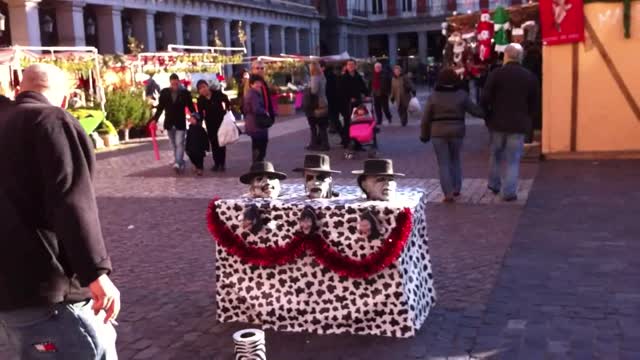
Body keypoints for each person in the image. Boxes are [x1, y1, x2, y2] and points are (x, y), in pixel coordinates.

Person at [0, 64, 120, 359]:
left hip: (11, 296)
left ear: (19, 89)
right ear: (65, 98)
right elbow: (70, 199)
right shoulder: (50, 120)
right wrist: (96, 273)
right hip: (53, 293)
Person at [481, 43, 540, 202]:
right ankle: (509, 192)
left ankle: (494, 184)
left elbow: (485, 97)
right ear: (520, 57)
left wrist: (487, 115)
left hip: (497, 122)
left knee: (495, 155)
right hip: (519, 124)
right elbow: (535, 104)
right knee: (513, 160)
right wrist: (529, 120)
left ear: (505, 56)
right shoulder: (529, 76)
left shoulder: (496, 74)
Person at [421, 68, 485, 203]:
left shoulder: (434, 96)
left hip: (438, 132)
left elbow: (426, 118)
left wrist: (424, 134)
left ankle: (448, 193)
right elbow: (475, 111)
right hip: (457, 130)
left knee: (443, 163)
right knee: (455, 159)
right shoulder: (461, 94)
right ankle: (456, 188)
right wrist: (489, 113)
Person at [149, 73, 197, 174]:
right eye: (173, 83)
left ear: (178, 82)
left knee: (179, 143)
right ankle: (179, 162)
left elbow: (190, 106)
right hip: (169, 123)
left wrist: (194, 115)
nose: (175, 85)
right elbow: (160, 108)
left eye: (176, 83)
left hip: (180, 122)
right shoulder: (165, 92)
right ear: (170, 82)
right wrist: (155, 119)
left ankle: (178, 162)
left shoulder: (184, 93)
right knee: (174, 144)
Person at [197, 79, 231, 172]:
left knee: (221, 142)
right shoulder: (200, 100)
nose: (203, 89)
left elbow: (226, 99)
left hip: (220, 121)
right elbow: (200, 113)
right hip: (210, 124)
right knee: (214, 143)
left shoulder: (217, 94)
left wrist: (227, 110)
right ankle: (216, 163)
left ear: (207, 86)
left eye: (204, 87)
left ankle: (222, 164)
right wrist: (199, 122)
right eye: (200, 88)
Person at [338, 59, 368, 147]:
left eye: (352, 65)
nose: (351, 66)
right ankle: (346, 141)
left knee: (358, 123)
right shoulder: (343, 77)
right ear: (346, 66)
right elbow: (341, 91)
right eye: (349, 65)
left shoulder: (358, 76)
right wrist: (349, 98)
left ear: (355, 66)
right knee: (348, 123)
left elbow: (363, 87)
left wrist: (367, 94)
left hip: (357, 103)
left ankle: (357, 142)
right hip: (347, 104)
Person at [244, 75, 271, 162]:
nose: (259, 84)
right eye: (256, 83)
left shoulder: (252, 92)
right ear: (251, 84)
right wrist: (265, 112)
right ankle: (258, 165)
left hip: (253, 123)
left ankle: (257, 164)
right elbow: (256, 109)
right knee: (260, 144)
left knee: (257, 144)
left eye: (260, 82)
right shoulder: (253, 94)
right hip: (256, 124)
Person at [305, 62, 330, 151]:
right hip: (323, 102)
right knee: (322, 126)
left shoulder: (315, 77)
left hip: (316, 104)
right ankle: (323, 143)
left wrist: (308, 88)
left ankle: (316, 143)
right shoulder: (322, 76)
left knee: (314, 126)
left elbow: (314, 91)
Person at [320, 61, 342, 136]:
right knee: (333, 118)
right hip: (333, 99)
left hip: (330, 100)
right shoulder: (332, 76)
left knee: (330, 118)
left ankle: (343, 137)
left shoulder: (326, 76)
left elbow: (327, 89)